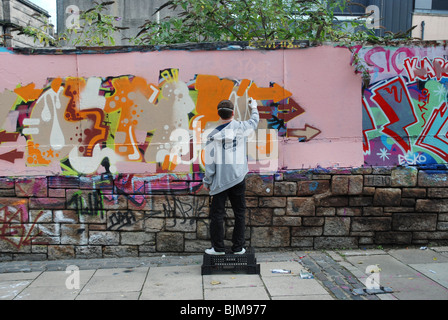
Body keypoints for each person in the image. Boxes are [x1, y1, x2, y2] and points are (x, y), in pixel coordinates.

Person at [203, 97, 259, 255]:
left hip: (220, 182)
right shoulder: (242, 127)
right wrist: (253, 106)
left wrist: (207, 181)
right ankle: (238, 248)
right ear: (233, 113)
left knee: (217, 216)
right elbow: (254, 121)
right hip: (238, 178)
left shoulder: (212, 136)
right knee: (240, 213)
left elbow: (210, 163)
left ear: (219, 114)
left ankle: (218, 249)